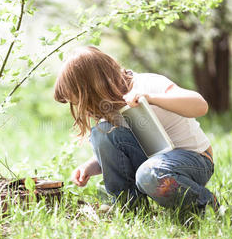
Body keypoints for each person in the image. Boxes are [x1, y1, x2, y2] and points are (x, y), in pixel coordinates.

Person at [54, 46, 217, 211]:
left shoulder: (147, 84)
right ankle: (130, 206)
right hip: (155, 162)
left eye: (85, 101)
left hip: (195, 160)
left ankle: (207, 204)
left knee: (149, 174)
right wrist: (89, 166)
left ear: (95, 88)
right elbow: (122, 155)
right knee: (103, 133)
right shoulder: (109, 109)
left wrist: (151, 99)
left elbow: (200, 105)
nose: (87, 110)